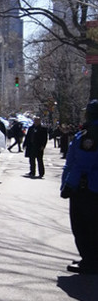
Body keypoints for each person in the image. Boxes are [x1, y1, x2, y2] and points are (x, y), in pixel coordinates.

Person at [61, 99, 98, 275]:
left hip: (86, 189)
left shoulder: (90, 134)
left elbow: (81, 163)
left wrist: (68, 185)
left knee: (83, 226)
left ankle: (89, 262)